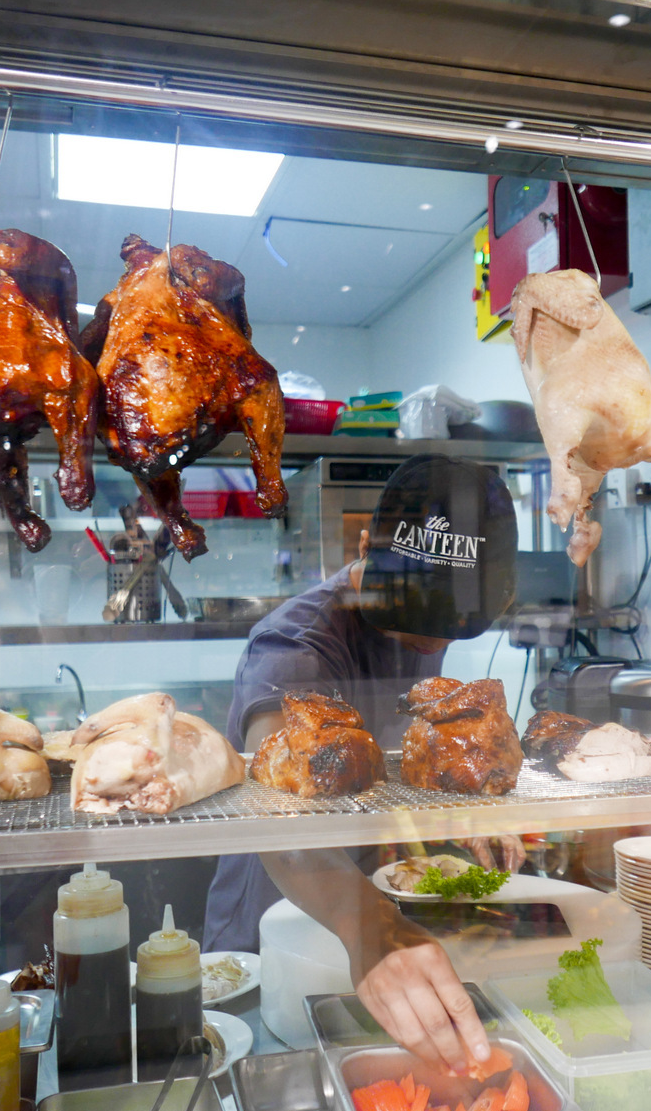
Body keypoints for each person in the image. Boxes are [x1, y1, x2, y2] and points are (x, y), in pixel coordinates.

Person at [204, 454, 520, 1072]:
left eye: (451, 627)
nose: (433, 643)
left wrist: (456, 808)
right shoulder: (294, 649)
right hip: (277, 934)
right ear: (365, 546)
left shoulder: (415, 612)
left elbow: (395, 765)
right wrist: (373, 929)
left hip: (364, 932)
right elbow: (280, 821)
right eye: (417, 622)